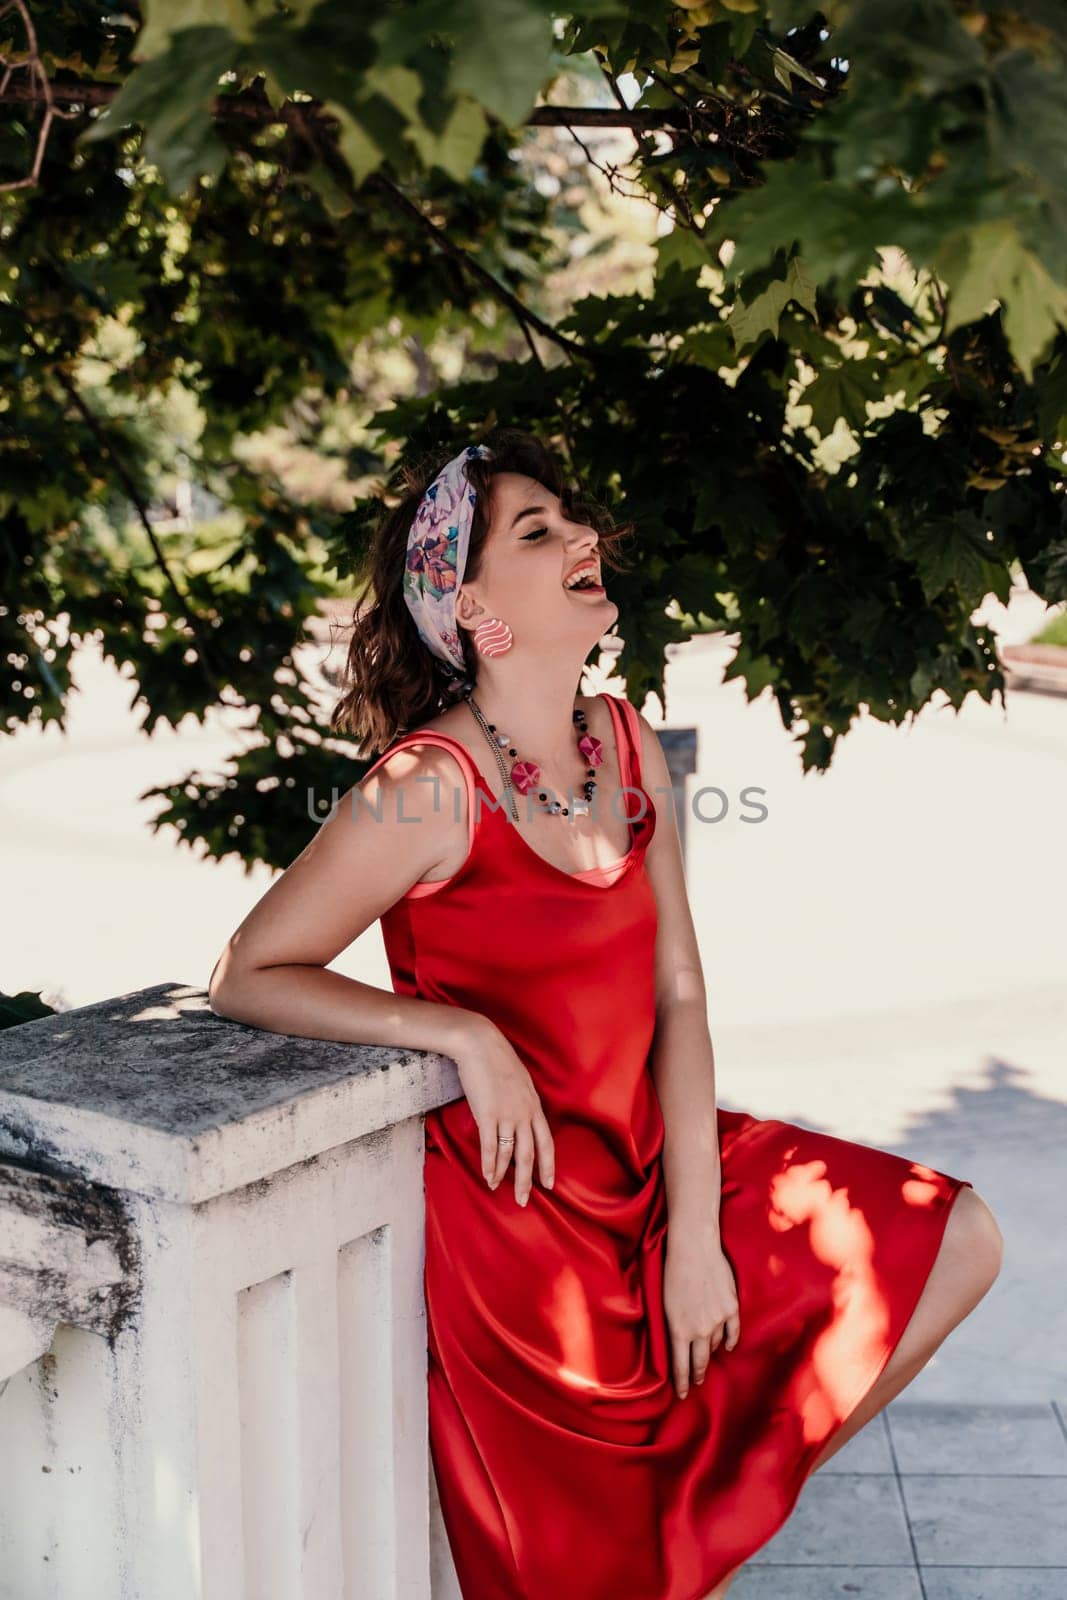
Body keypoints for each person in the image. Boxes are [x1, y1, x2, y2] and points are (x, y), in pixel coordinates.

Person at [208, 427, 1003, 1599]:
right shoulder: (427, 785)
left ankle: (703, 1539)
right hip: (523, 1243)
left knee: (958, 1237)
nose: (584, 535)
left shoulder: (623, 743)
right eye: (538, 531)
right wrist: (455, 1031)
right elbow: (249, 970)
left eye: (570, 518)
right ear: (472, 603)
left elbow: (678, 991)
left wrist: (694, 1233)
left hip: (657, 1168)